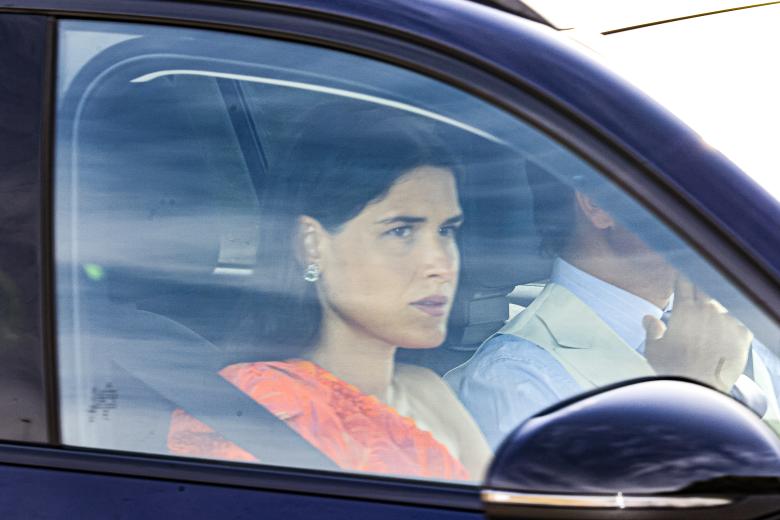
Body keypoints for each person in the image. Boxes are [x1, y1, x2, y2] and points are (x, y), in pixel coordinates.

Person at [167, 102, 491, 480]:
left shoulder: (428, 391)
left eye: (446, 231)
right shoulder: (257, 410)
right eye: (401, 231)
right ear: (312, 245)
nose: (441, 264)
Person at [446, 161, 780, 448]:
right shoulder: (514, 377)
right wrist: (691, 395)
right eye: (679, 190)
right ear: (597, 206)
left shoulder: (738, 322)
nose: (709, 210)